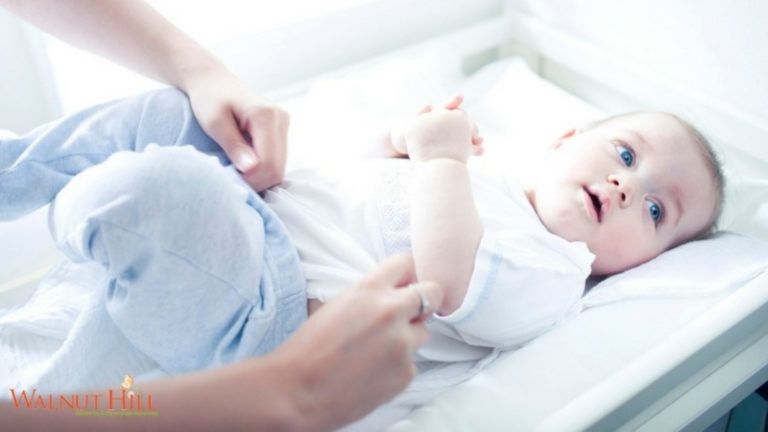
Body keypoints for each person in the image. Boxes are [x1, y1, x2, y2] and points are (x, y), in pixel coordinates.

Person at [0, 84, 724, 430]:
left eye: (659, 212)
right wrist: (396, 143)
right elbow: (352, 193)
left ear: (638, 264)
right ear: (567, 140)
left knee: (158, 190)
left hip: (278, 317)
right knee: (171, 114)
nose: (629, 187)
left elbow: (442, 281)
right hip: (261, 218)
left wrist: (439, 163)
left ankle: (92, 208)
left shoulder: (554, 271)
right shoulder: (489, 172)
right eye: (626, 154)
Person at [0, 0, 442, 430]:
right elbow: (349, 175)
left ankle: (26, 178)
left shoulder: (502, 241)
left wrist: (202, 72)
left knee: (171, 127)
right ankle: (73, 199)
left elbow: (452, 291)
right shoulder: (477, 184)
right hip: (264, 242)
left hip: (272, 310)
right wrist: (407, 146)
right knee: (166, 184)